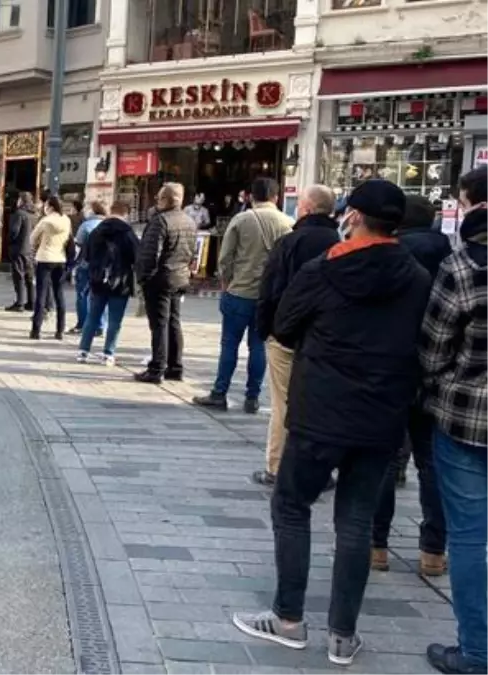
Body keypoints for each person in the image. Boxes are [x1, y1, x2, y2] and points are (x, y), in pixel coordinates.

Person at [232, 179, 431, 667]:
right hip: (382, 416)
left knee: (293, 506)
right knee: (356, 522)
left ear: (355, 217)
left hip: (321, 411)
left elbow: (282, 324)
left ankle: (288, 618)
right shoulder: (418, 277)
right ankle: (343, 634)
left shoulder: (324, 271)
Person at [420, 167, 488, 675]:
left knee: (467, 537)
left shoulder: (464, 265)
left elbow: (434, 346)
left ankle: (477, 651)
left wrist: (438, 383)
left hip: (467, 415)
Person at [368, 194, 450, 575]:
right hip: (438, 373)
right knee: (431, 463)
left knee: (385, 459)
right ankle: (433, 551)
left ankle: (376, 545)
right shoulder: (452, 258)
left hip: (392, 368)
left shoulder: (392, 256)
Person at [251, 184, 342, 487]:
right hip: (327, 337)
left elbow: (269, 288)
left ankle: (277, 466)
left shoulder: (289, 243)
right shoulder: (341, 243)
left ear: (305, 208)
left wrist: (266, 329)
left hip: (287, 334)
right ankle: (321, 469)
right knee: (322, 401)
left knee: (283, 403)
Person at [193, 178, 294, 413]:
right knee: (258, 346)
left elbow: (225, 257)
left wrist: (226, 282)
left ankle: (220, 393)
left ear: (250, 196)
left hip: (239, 291)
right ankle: (252, 397)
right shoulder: (288, 222)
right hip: (267, 296)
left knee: (229, 345)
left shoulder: (242, 219)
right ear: (276, 197)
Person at [133, 182, 195, 384]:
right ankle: (175, 367)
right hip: (179, 276)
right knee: (173, 322)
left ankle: (156, 368)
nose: (156, 201)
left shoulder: (160, 221)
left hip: (160, 279)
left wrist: (144, 278)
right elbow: (191, 252)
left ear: (167, 200)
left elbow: (150, 254)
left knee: (159, 324)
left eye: (159, 198)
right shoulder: (189, 221)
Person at [76, 202, 139, 366]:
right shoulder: (128, 232)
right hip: (121, 280)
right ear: (125, 213)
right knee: (115, 320)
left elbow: (87, 255)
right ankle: (108, 353)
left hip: (98, 279)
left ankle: (83, 350)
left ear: (111, 211)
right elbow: (136, 257)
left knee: (93, 315)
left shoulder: (97, 230)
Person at [30, 194, 72, 340]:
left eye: (46, 205)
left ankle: (36, 330)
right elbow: (68, 239)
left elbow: (32, 238)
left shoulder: (46, 221)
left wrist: (39, 245)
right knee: (59, 293)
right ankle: (60, 330)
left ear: (50, 206)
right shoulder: (66, 220)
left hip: (44, 258)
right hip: (60, 258)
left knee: (41, 294)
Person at [71, 201, 108, 336]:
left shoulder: (86, 226)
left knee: (83, 295)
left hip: (86, 264)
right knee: (102, 295)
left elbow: (78, 246)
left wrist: (73, 263)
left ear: (92, 211)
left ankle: (83, 324)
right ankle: (101, 325)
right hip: (104, 266)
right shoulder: (109, 225)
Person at [6, 191, 38, 312]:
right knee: (29, 276)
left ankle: (20, 302)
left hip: (19, 248)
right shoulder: (34, 215)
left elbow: (14, 231)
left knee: (18, 276)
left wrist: (9, 241)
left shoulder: (19, 214)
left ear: (21, 200)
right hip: (30, 250)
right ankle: (31, 301)